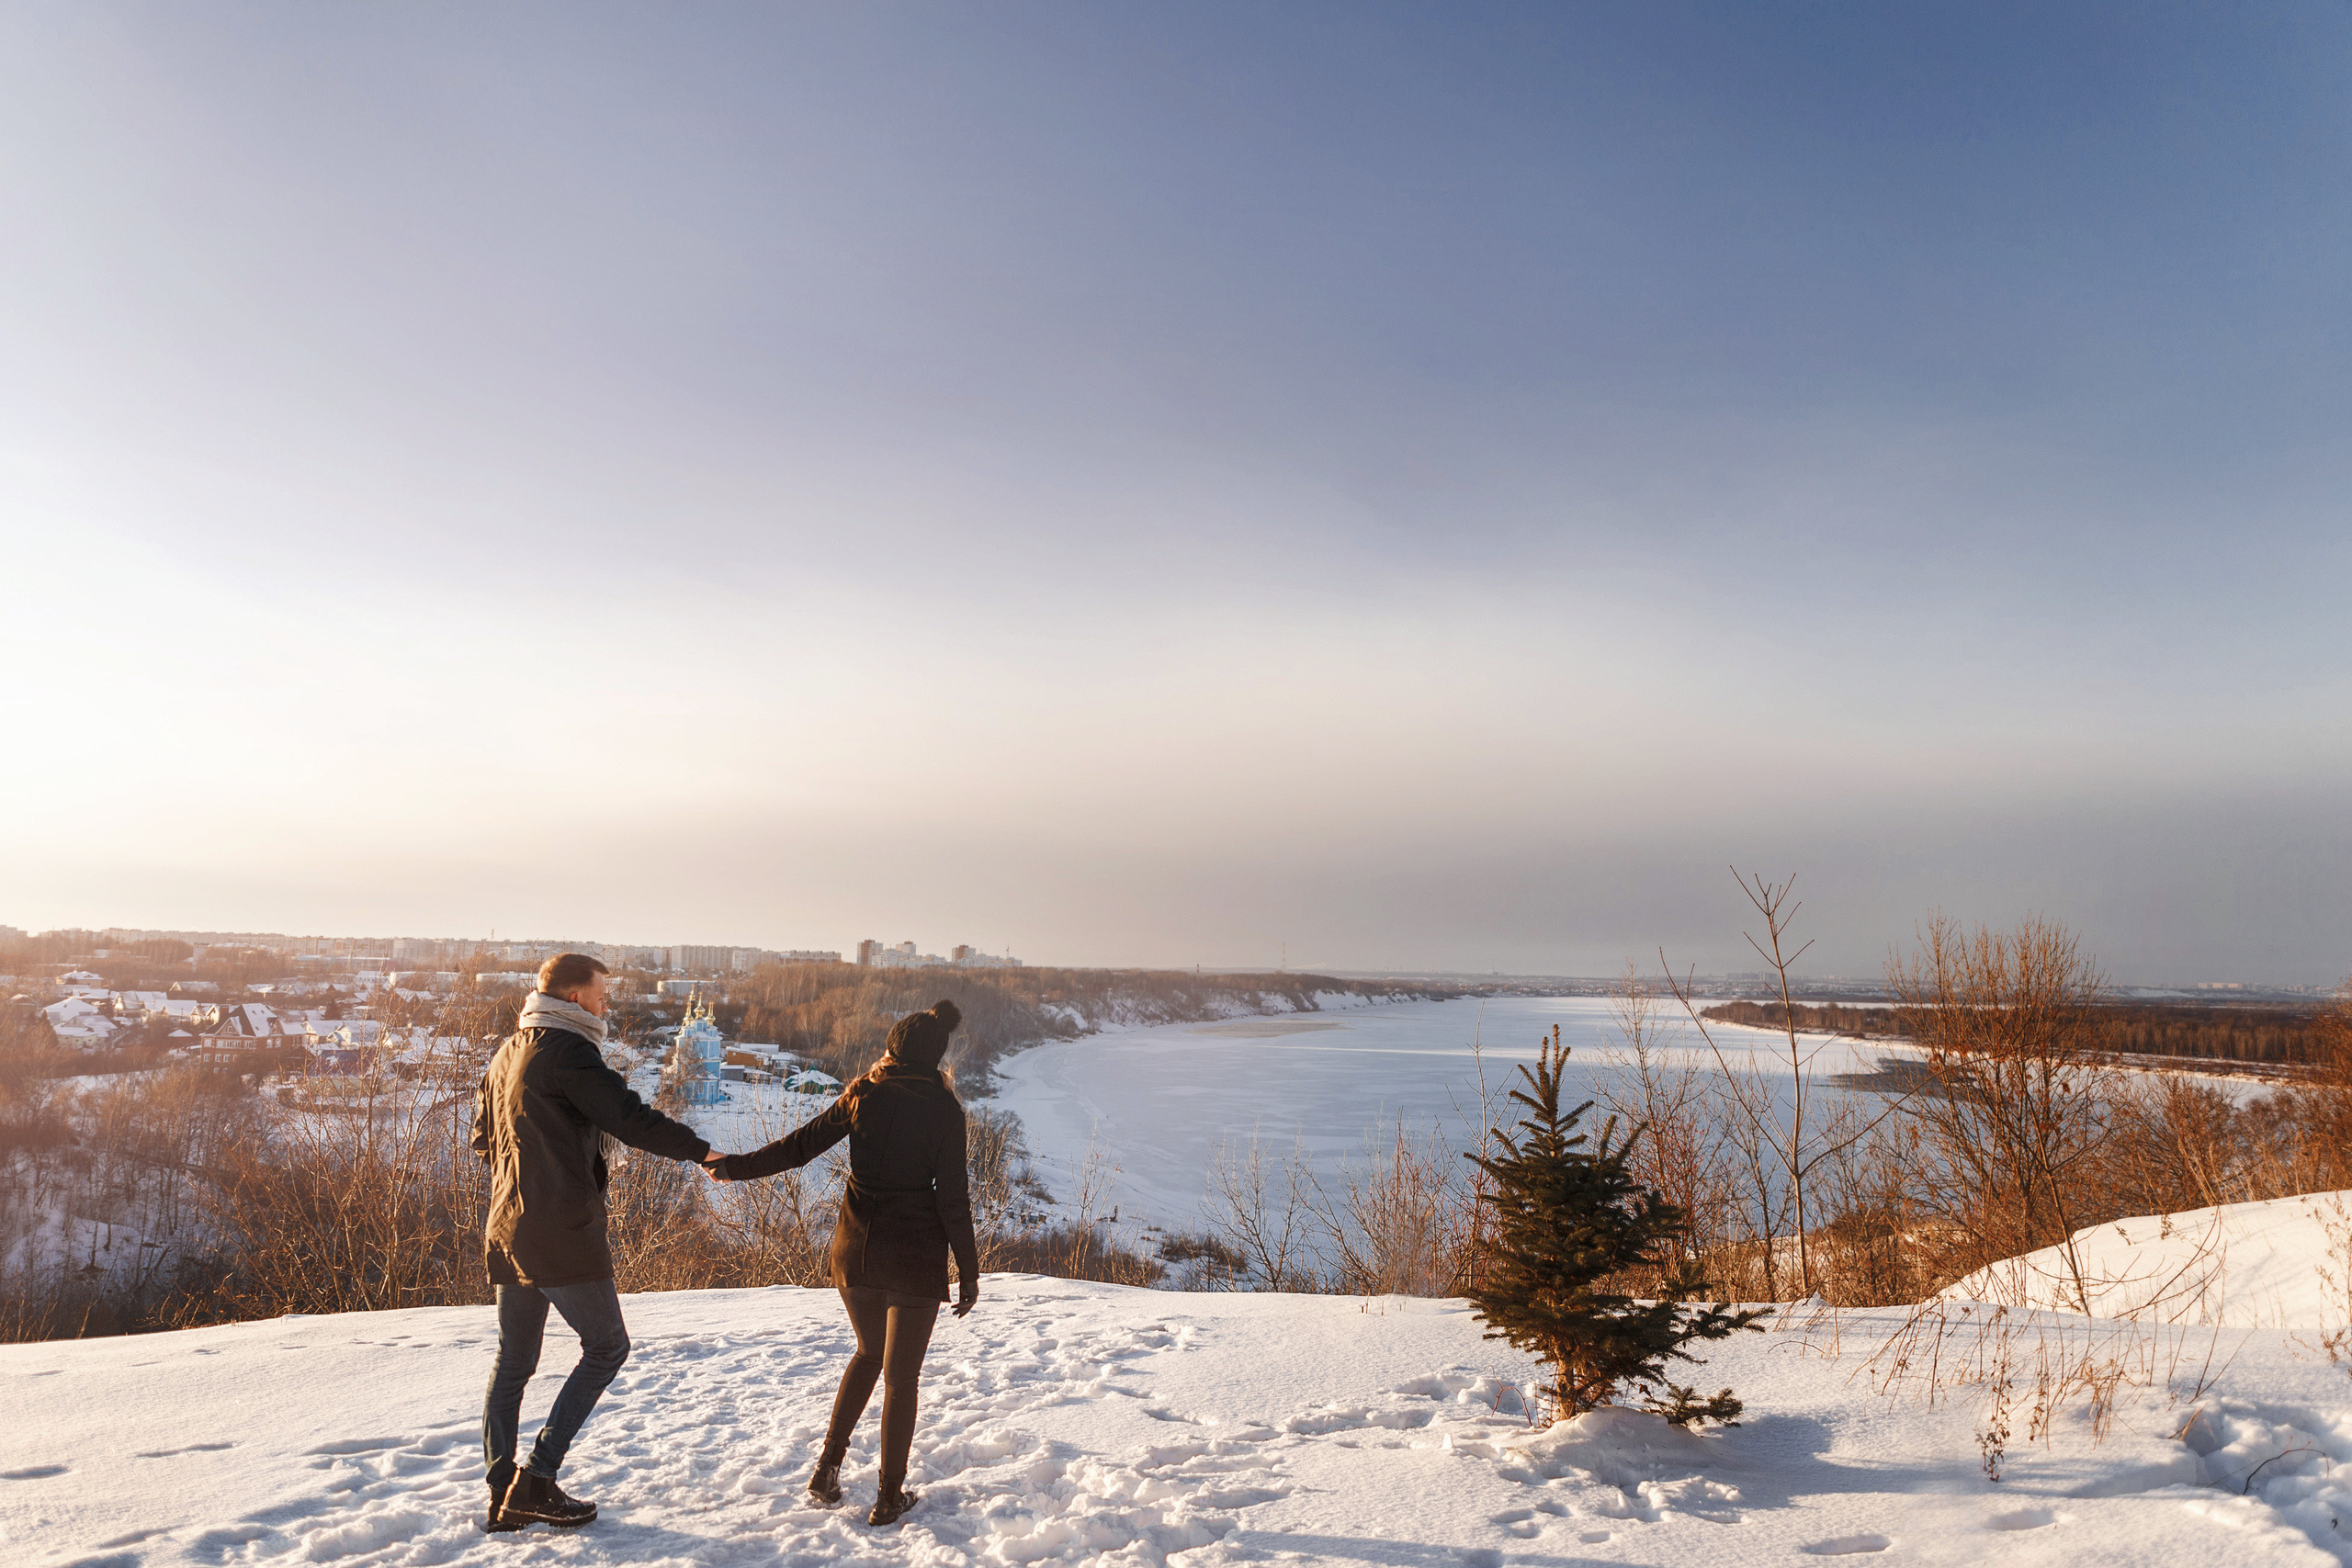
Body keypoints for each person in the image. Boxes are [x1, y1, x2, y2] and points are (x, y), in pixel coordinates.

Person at [470, 952, 728, 1533]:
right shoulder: (568, 1051)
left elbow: (482, 1140)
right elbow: (628, 1118)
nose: (607, 1002)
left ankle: (500, 1488)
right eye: (601, 992)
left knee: (514, 1362)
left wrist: (531, 1174)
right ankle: (535, 1480)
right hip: (561, 1230)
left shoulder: (508, 1051)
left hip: (509, 1225)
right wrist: (701, 1152)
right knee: (607, 1347)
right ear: (573, 996)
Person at [712, 998, 979, 1527]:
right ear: (936, 1057)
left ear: (894, 1047)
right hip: (914, 1255)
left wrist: (734, 1168)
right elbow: (953, 1198)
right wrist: (968, 1272)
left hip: (855, 1249)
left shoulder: (864, 1094)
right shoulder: (946, 1111)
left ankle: (828, 1468)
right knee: (901, 1378)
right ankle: (888, 1496)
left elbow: (799, 1148)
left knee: (867, 1354)